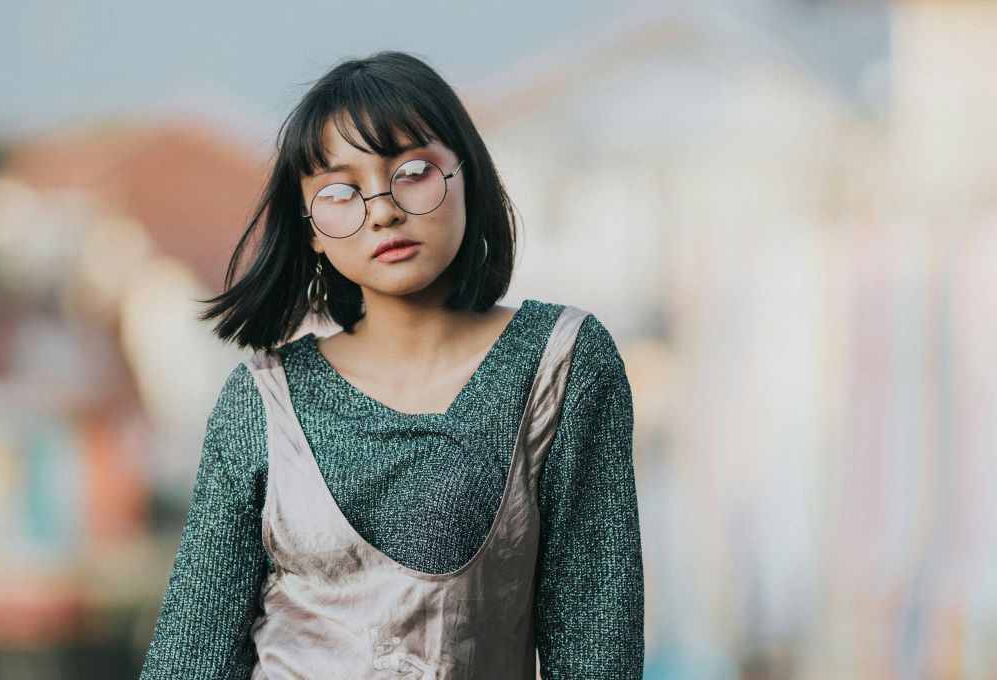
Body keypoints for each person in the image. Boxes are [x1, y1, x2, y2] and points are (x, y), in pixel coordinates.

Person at [139, 50, 643, 679]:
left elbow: (598, 648)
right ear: (310, 226)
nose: (382, 210)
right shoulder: (260, 402)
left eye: (413, 171)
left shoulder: (561, 365)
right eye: (340, 190)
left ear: (468, 174)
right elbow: (190, 658)